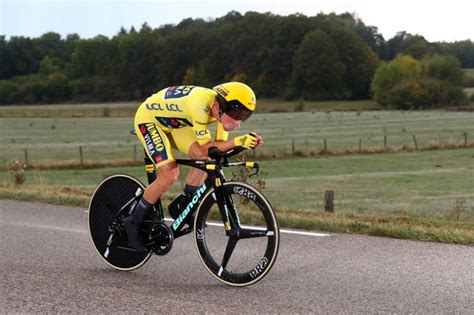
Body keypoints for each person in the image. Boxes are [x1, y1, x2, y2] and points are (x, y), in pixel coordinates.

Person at [126, 82, 263, 252]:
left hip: (173, 123)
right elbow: (209, 146)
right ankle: (133, 223)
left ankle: (184, 203)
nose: (238, 121)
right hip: (149, 120)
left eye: (244, 115)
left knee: (204, 157)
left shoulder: (219, 109)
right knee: (170, 174)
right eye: (236, 113)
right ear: (218, 106)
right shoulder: (200, 105)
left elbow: (217, 147)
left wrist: (242, 144)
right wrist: (237, 141)